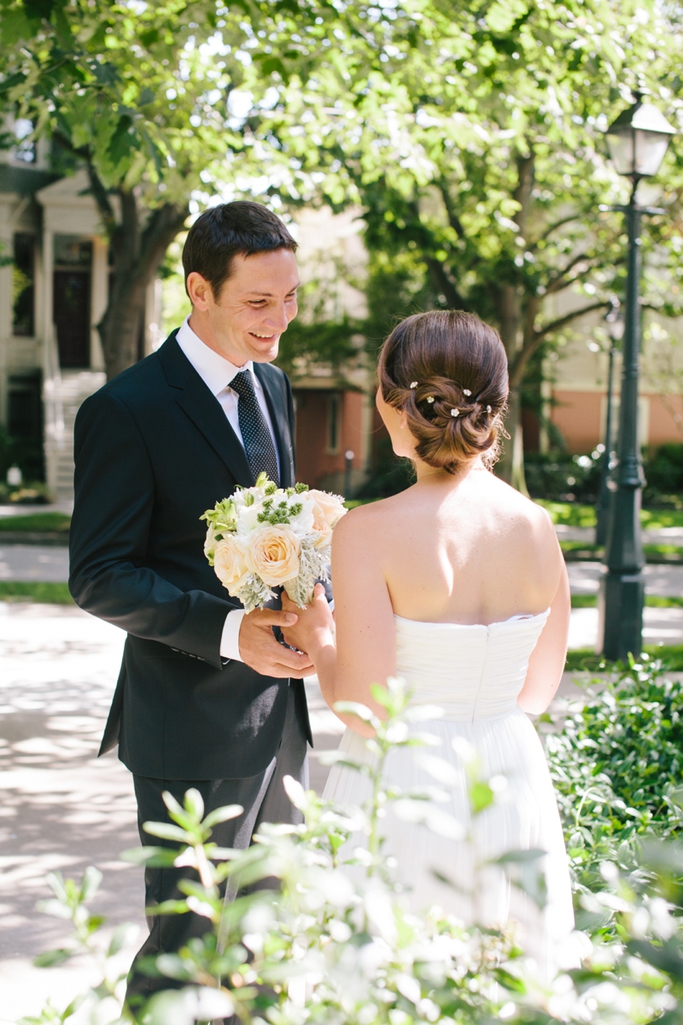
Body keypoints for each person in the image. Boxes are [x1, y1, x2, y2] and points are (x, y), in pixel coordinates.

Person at [68, 201, 315, 1013]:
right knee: (185, 947)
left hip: (282, 716)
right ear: (197, 289)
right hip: (186, 721)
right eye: (257, 302)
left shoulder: (273, 385)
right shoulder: (126, 408)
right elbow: (100, 574)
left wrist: (314, 594)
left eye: (288, 298)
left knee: (260, 938)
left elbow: (277, 532)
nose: (278, 320)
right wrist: (227, 630)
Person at [282, 309, 575, 971]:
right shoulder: (535, 526)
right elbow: (535, 690)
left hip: (404, 776)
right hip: (506, 770)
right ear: (491, 408)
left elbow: (364, 708)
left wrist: (320, 637)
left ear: (395, 406)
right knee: (497, 981)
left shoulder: (367, 531)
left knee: (388, 978)